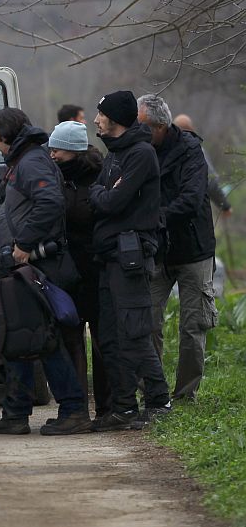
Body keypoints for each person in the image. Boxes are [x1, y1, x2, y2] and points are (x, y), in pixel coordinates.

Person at [0, 107, 90, 436]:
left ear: (6, 136)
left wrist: (24, 246)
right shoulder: (25, 161)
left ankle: (73, 410)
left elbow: (50, 202)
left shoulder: (31, 162)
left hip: (37, 267)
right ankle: (16, 413)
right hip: (23, 269)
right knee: (22, 336)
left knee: (42, 339)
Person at [88, 90, 171, 431]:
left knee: (135, 333)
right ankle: (123, 407)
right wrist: (103, 193)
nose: (96, 120)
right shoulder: (115, 154)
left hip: (131, 258)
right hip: (109, 257)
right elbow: (99, 193)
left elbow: (111, 203)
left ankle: (158, 401)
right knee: (109, 336)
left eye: (101, 114)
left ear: (116, 120)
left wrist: (104, 195)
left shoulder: (140, 155)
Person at [138, 96, 217, 401]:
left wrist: (152, 217)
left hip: (193, 250)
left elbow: (192, 197)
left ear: (160, 126)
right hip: (157, 250)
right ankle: (153, 392)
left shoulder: (190, 150)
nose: (137, 131)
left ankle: (185, 394)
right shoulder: (141, 151)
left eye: (142, 126)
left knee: (192, 326)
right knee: (148, 322)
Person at [47, 121, 111, 421]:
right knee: (71, 339)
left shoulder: (99, 177)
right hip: (66, 271)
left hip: (96, 270)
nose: (52, 155)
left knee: (101, 340)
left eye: (57, 149)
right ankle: (76, 409)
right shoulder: (54, 178)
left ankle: (107, 407)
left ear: (73, 150)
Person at [172, 113, 232, 217]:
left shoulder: (165, 150)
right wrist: (225, 206)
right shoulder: (198, 152)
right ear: (192, 130)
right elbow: (211, 183)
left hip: (168, 215)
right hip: (193, 216)